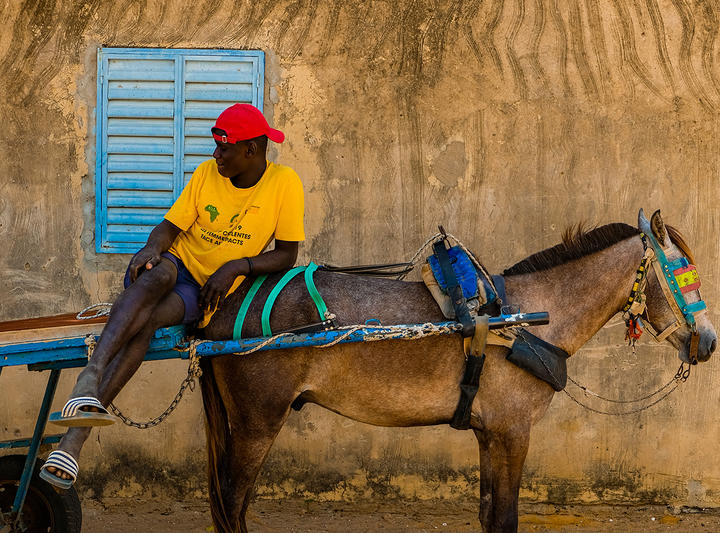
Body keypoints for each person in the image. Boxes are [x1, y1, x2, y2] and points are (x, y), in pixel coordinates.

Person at [40, 103, 305, 488]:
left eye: (224, 149)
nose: (215, 156)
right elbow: (169, 227)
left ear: (251, 149)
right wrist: (152, 247)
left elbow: (286, 254)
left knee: (144, 323)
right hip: (174, 265)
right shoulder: (205, 174)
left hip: (204, 292)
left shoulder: (285, 183)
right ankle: (90, 377)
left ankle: (74, 439)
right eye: (215, 148)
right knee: (155, 276)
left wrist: (233, 267)